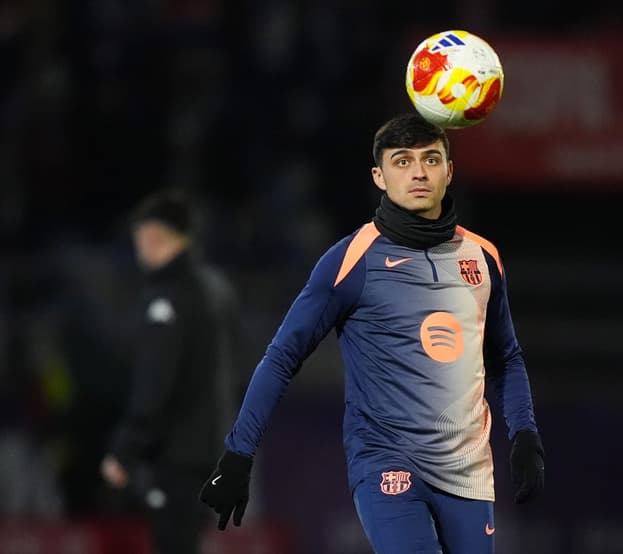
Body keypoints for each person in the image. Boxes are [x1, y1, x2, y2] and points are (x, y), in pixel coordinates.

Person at [199, 113, 544, 553]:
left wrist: (525, 434)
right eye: (402, 161)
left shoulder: (482, 258)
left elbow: (506, 357)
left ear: (449, 171)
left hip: (468, 470)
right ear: (379, 177)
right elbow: (282, 356)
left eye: (431, 159)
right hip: (386, 463)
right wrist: (238, 453)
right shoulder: (351, 260)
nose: (418, 173)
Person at [101, 190, 243, 554]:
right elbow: (239, 366)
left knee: (174, 542)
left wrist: (126, 448)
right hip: (216, 448)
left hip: (175, 454)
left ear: (152, 235)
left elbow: (156, 381)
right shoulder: (218, 288)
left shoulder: (168, 296)